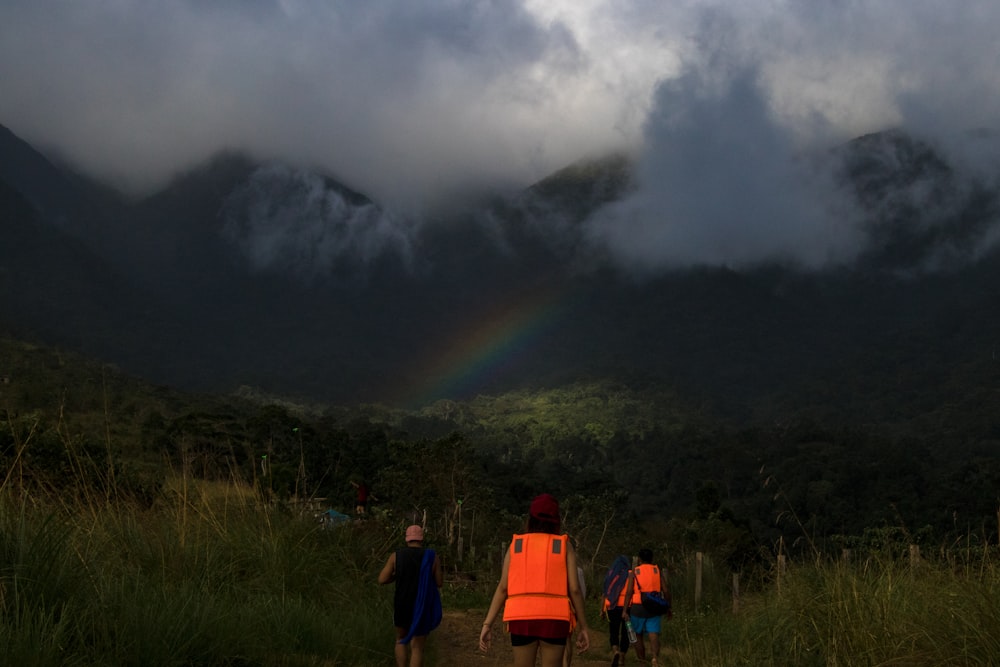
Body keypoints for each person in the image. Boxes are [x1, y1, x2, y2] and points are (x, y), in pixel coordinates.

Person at [479, 493, 591, 667]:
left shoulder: (516, 545)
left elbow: (503, 588)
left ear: (530, 518)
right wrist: (583, 626)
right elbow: (575, 589)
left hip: (521, 618)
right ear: (556, 520)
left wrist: (488, 624)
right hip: (554, 619)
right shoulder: (563, 545)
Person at [378, 524, 443, 667]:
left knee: (401, 639)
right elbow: (439, 582)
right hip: (422, 605)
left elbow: (382, 579)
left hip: (402, 603)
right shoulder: (432, 557)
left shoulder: (396, 556)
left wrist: (396, 576)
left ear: (407, 539)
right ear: (421, 539)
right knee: (418, 646)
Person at [622, 548, 670, 667]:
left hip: (638, 607)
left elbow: (628, 592)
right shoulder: (657, 570)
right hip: (654, 607)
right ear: (652, 559)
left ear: (639, 559)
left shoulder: (634, 572)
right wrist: (668, 606)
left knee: (637, 635)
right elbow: (666, 591)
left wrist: (624, 610)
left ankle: (642, 660)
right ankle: (654, 658)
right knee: (653, 634)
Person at [602, 554, 633, 667]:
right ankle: (622, 658)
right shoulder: (630, 574)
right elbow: (629, 592)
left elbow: (605, 593)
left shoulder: (610, 574)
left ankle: (615, 651)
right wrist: (625, 610)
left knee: (613, 631)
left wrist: (602, 610)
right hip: (627, 608)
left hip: (611, 607)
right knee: (626, 633)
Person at [563, 563, 587, 667]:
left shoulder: (552, 567)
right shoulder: (578, 570)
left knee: (560, 640)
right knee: (568, 638)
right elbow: (581, 591)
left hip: (557, 606)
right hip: (572, 608)